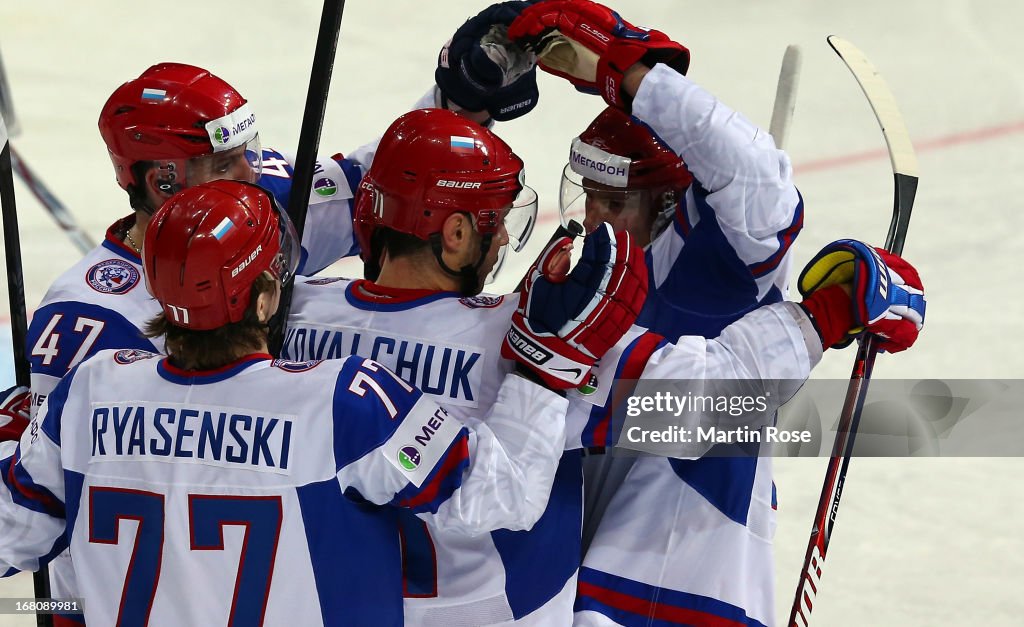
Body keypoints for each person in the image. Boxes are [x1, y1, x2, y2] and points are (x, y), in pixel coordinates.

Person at [280, 101, 925, 626]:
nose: (504, 234)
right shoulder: (526, 333)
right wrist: (827, 313)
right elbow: (706, 399)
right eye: (492, 220)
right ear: (453, 235)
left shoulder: (286, 321)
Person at [13, 57, 539, 623]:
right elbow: (514, 490)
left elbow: (382, 181)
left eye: (249, 151)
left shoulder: (98, 381)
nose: (252, 174)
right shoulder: (91, 322)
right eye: (225, 162)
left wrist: (459, 96)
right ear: (162, 179)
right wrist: (549, 375)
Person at [0, 179, 612, 625]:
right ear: (266, 298)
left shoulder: (89, 391)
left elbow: (14, 536)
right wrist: (546, 368)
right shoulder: (346, 402)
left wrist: (52, 599)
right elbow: (506, 494)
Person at [506, 1, 918, 625]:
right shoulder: (575, 278)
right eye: (587, 195)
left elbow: (758, 180)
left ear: (670, 204)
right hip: (579, 578)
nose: (592, 220)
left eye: (613, 201)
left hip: (686, 574)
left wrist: (637, 76)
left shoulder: (718, 262)